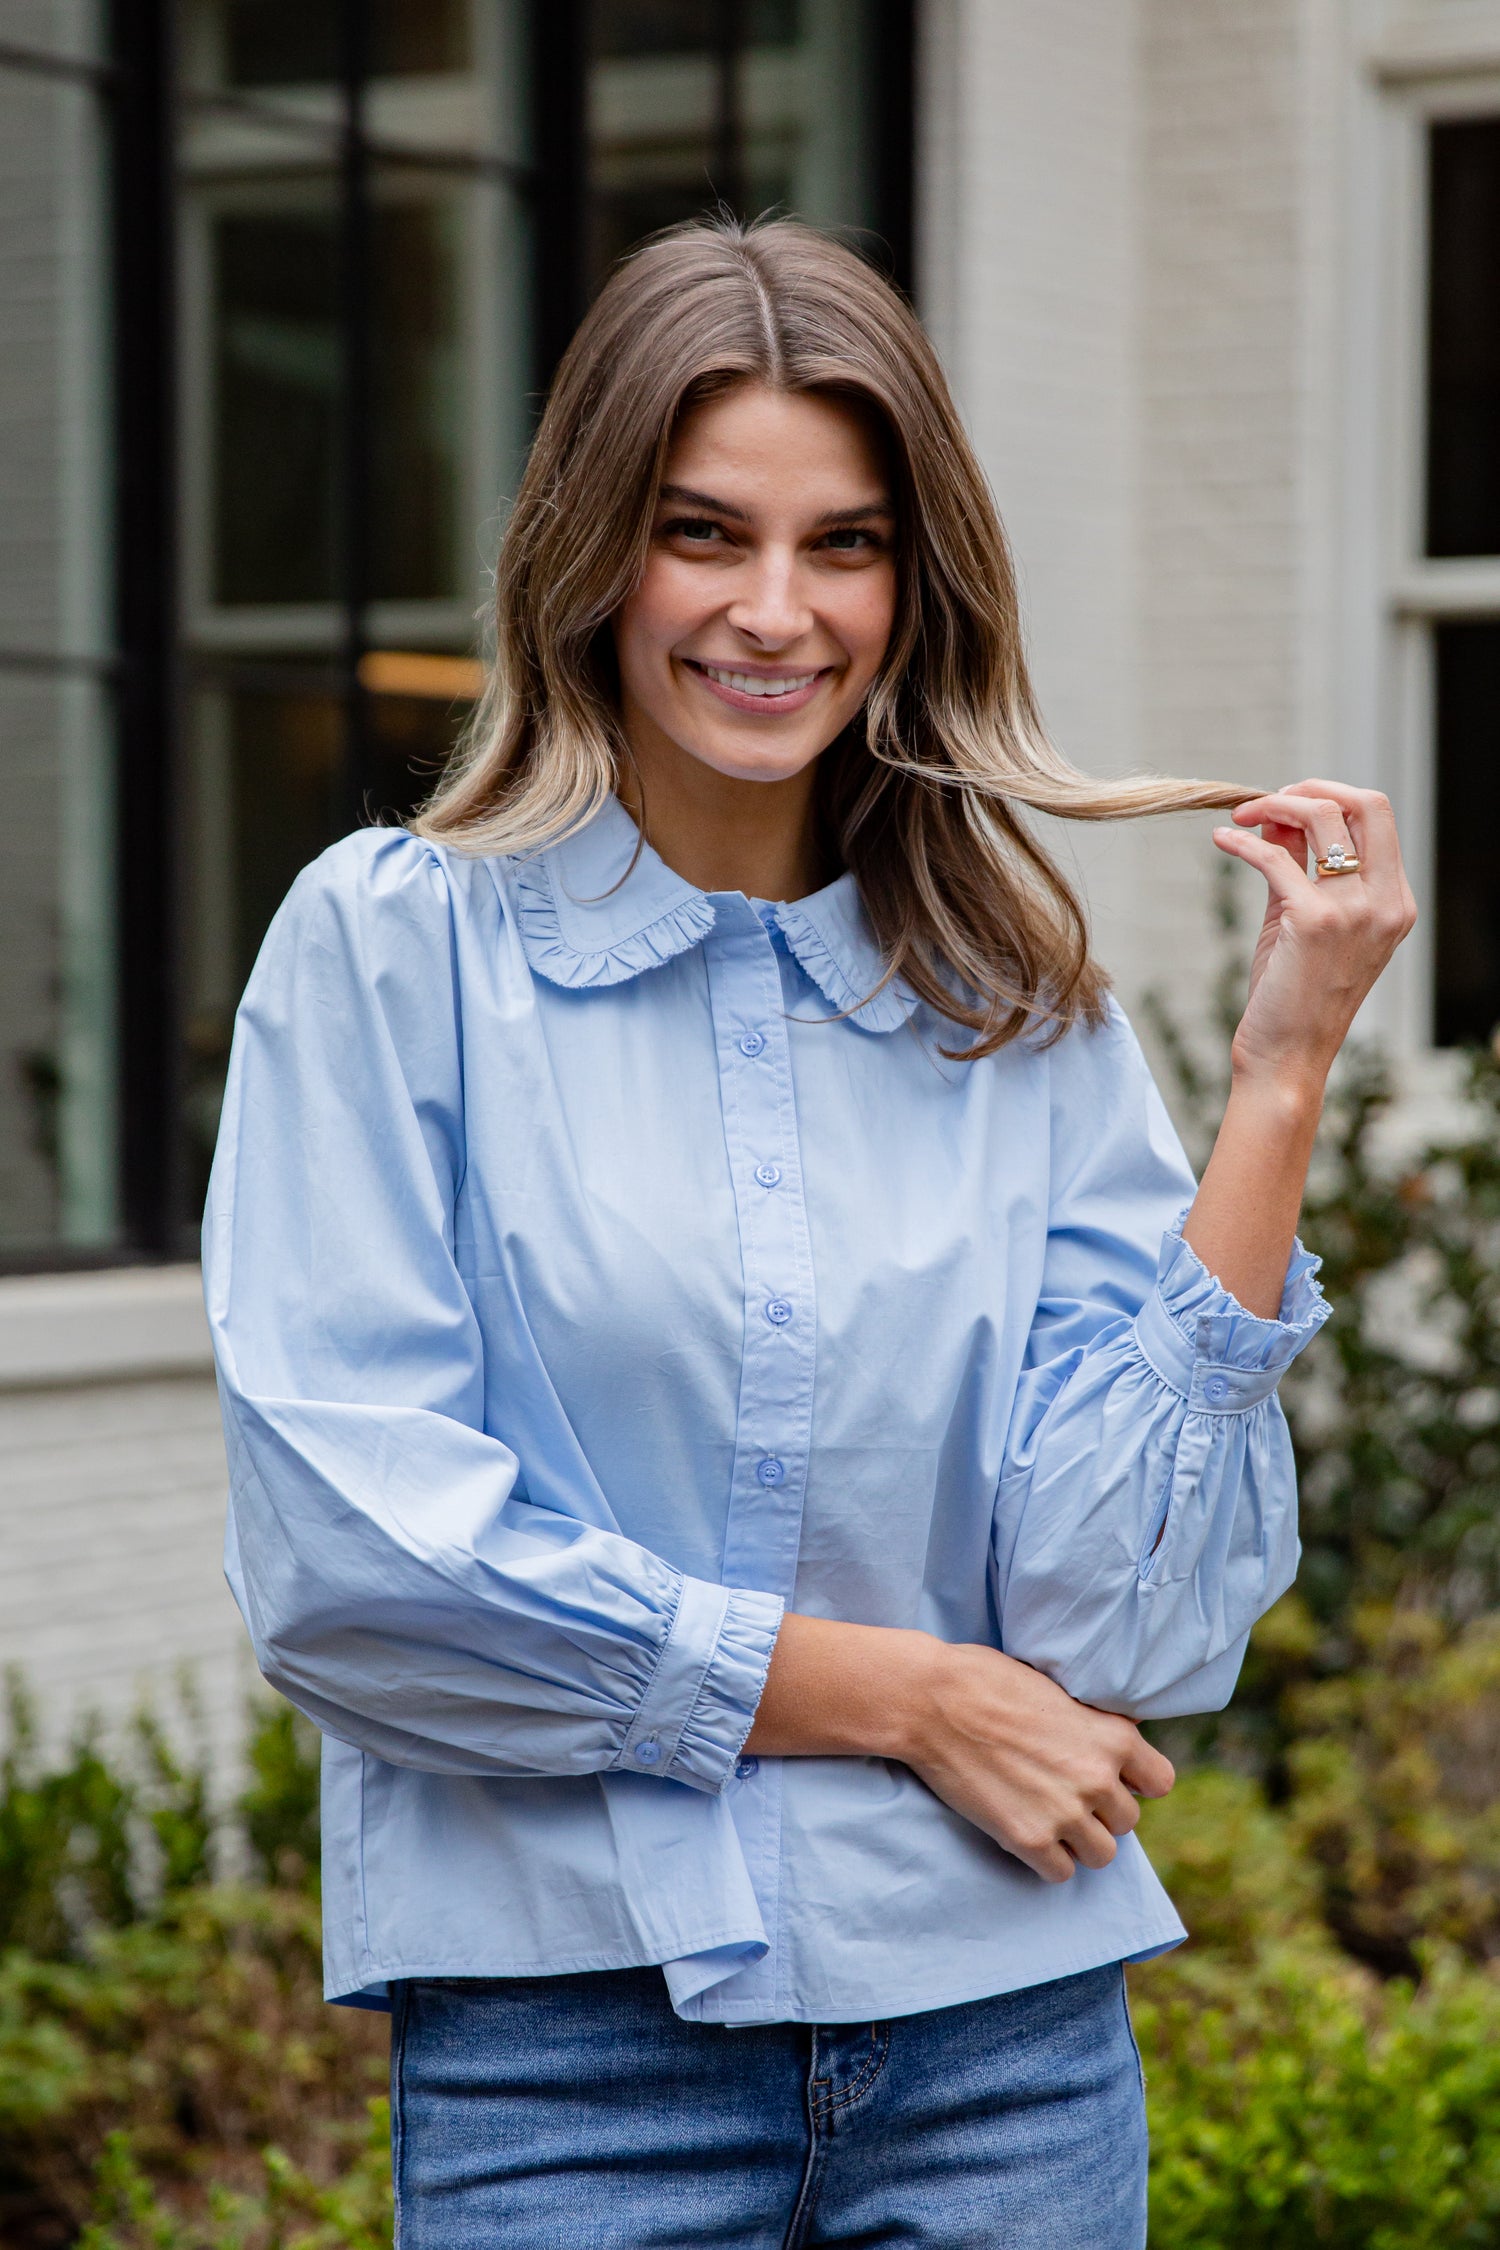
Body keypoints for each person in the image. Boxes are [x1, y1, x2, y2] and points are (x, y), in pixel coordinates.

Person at [204, 217, 1415, 2249]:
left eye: (844, 545)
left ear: (913, 584)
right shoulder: (393, 952)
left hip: (1008, 2047)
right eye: (704, 533)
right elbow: (358, 1566)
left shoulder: (1015, 1005)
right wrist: (905, 1695)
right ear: (592, 551)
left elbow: (1123, 1631)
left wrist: (1282, 1073)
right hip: (565, 2055)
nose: (776, 613)